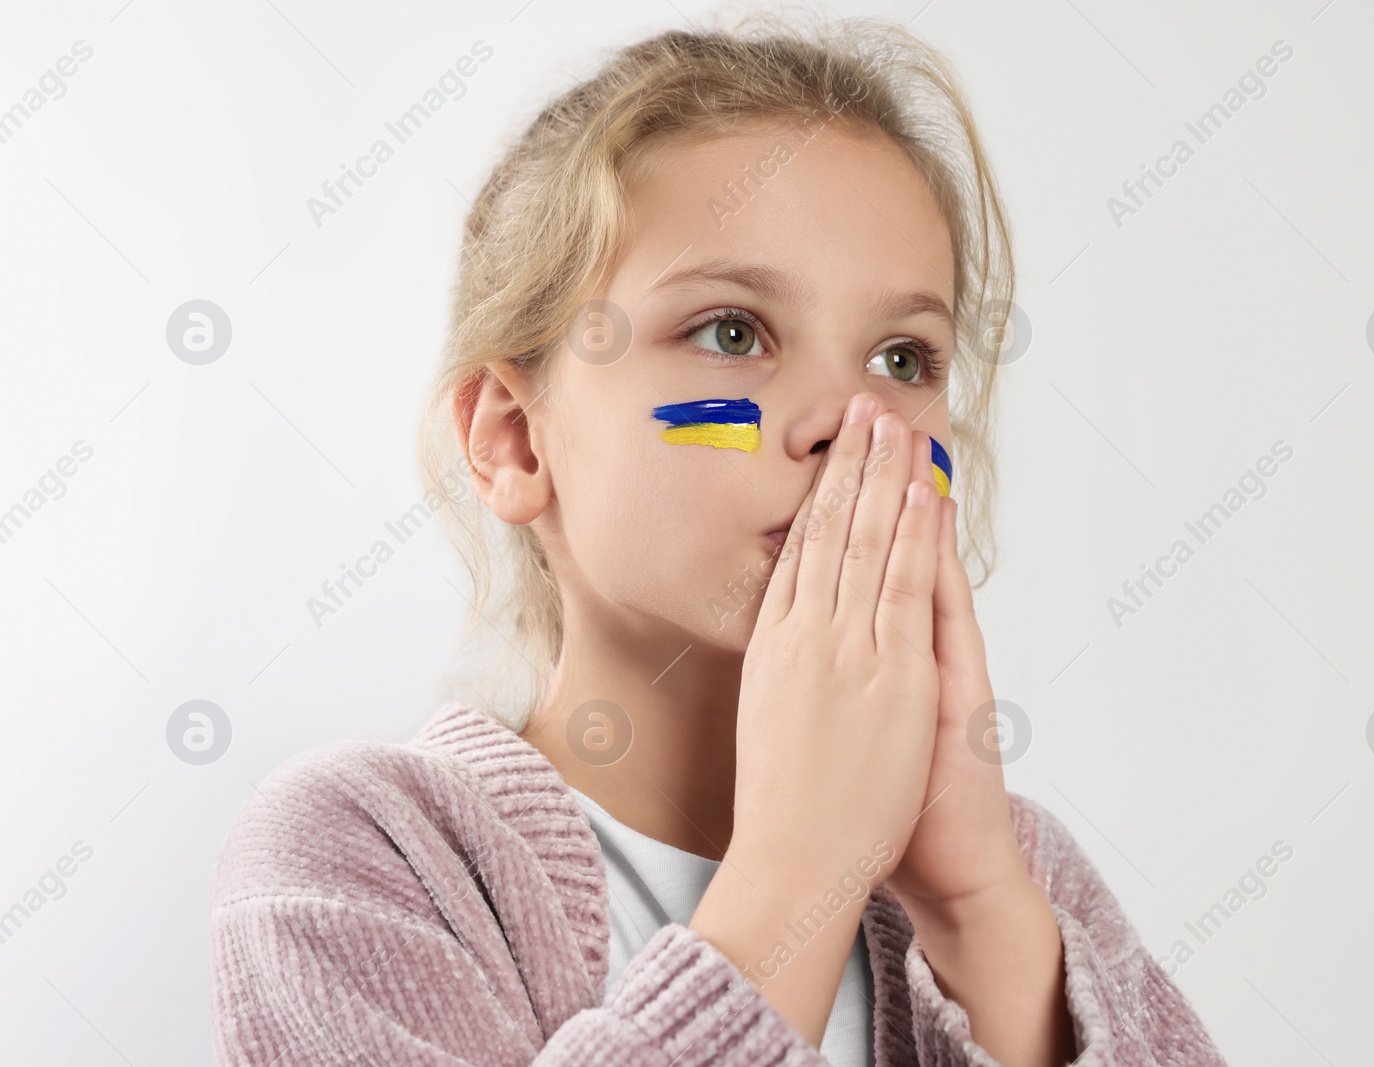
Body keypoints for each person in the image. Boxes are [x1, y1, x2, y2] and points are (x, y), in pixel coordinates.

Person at [209, 12, 1228, 1066]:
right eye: (731, 332)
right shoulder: (368, 850)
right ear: (514, 441)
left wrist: (978, 914)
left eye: (901, 357)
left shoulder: (1027, 881)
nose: (845, 419)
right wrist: (801, 865)